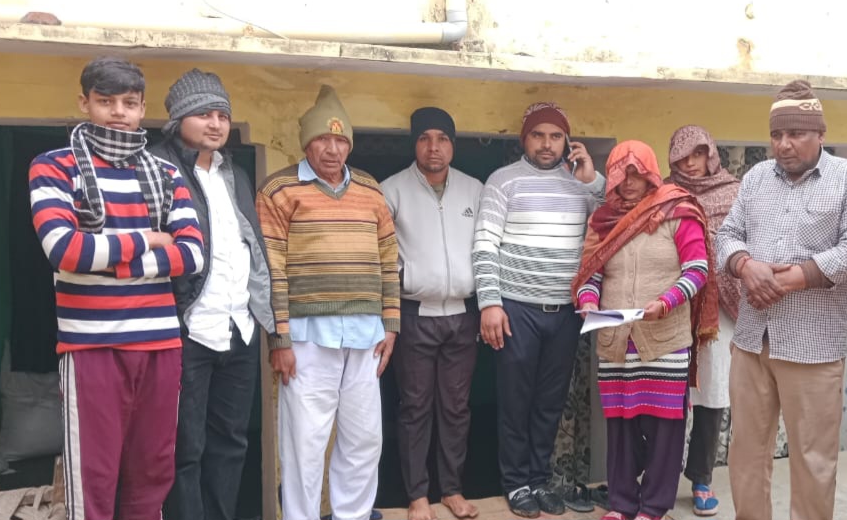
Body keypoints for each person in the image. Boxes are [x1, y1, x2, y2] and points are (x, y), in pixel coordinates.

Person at [28, 57, 204, 520]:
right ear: (84, 103)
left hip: (160, 344)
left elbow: (192, 255)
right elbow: (65, 251)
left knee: (152, 475)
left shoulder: (166, 174)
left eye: (129, 103)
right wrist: (148, 239)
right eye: (106, 101)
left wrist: (110, 262)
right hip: (91, 346)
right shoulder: (54, 167)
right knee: (94, 481)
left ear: (143, 108)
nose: (118, 113)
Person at [715, 80, 847, 520]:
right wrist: (745, 264)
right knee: (746, 453)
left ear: (820, 134)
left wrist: (799, 277)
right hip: (752, 341)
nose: (783, 144)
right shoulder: (755, 178)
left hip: (813, 346)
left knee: (813, 460)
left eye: (796, 134)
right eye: (776, 135)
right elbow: (726, 235)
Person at [256, 85, 399, 520]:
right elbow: (271, 268)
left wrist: (391, 325)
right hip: (305, 337)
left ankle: (352, 515)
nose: (332, 149)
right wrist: (279, 339)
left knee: (363, 439)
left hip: (365, 335)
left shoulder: (371, 190)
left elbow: (389, 258)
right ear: (306, 143)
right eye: (322, 139)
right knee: (304, 443)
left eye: (340, 140)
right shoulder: (279, 190)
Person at [150, 69, 276, 520]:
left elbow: (251, 248)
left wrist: (268, 322)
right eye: (204, 114)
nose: (216, 123)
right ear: (179, 118)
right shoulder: (158, 169)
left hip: (238, 327)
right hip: (188, 329)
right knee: (184, 446)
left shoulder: (234, 174)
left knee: (231, 442)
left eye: (222, 115)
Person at [572, 140, 718, 520]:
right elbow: (591, 274)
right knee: (620, 427)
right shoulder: (603, 220)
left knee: (664, 429)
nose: (629, 182)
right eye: (621, 174)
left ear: (652, 174)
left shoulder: (677, 211)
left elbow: (697, 270)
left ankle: (653, 507)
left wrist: (666, 302)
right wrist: (589, 301)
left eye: (637, 173)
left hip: (664, 339)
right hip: (616, 341)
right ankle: (622, 504)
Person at [472, 102, 604, 518]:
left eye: (555, 136)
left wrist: (593, 180)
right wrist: (490, 304)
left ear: (568, 141)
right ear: (524, 139)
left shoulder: (580, 184)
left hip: (565, 312)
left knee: (550, 402)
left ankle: (539, 480)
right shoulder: (503, 181)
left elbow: (610, 225)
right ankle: (516, 484)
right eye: (538, 135)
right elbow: (485, 244)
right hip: (517, 310)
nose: (547, 144)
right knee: (515, 401)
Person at [381, 107, 483, 520]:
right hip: (414, 314)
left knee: (456, 407)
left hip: (462, 314)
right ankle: (417, 495)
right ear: (414, 144)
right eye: (425, 138)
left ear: (453, 145)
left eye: (442, 138)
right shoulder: (392, 190)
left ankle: (452, 490)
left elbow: (486, 248)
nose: (434, 147)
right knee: (415, 407)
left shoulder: (474, 190)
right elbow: (382, 256)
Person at [666, 126, 742, 517]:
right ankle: (660, 478)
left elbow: (748, 241)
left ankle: (701, 478)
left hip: (718, 311)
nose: (690, 163)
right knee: (667, 393)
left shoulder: (736, 193)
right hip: (672, 304)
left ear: (711, 154)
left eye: (697, 154)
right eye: (682, 156)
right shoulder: (664, 195)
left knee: (711, 394)